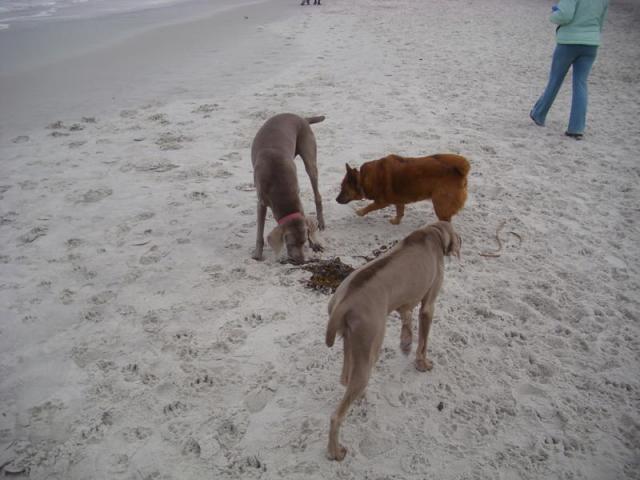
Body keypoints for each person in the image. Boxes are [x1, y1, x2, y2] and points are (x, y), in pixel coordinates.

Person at [530, 0, 609, 139]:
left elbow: (564, 15)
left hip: (569, 42)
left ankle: (539, 114)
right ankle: (576, 128)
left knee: (555, 80)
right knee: (580, 84)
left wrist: (553, 14)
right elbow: (602, 21)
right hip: (591, 43)